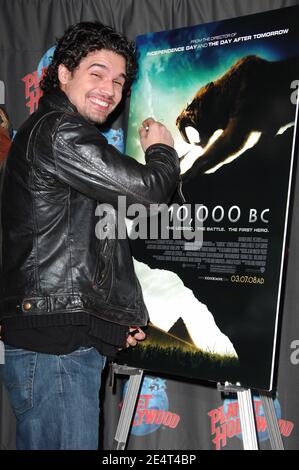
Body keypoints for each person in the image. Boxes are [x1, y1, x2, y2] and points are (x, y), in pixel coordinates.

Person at [0, 22, 180, 450]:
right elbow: (148, 192)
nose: (110, 89)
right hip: (56, 353)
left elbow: (80, 241)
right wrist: (162, 150)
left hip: (59, 343)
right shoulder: (60, 131)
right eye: (96, 73)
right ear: (64, 74)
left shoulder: (56, 133)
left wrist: (112, 320)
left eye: (118, 80)